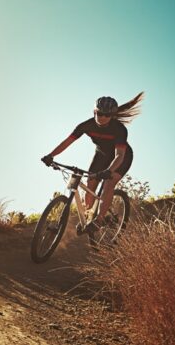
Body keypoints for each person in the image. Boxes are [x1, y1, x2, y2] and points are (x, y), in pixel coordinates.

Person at [41, 92, 144, 240]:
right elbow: (67, 142)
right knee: (90, 184)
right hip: (101, 155)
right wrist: (51, 156)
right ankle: (89, 217)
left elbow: (119, 155)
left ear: (112, 116)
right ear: (94, 111)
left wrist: (109, 171)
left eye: (107, 115)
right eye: (99, 113)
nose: (102, 117)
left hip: (122, 157)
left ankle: (100, 219)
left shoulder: (119, 129)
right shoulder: (85, 125)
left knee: (108, 182)